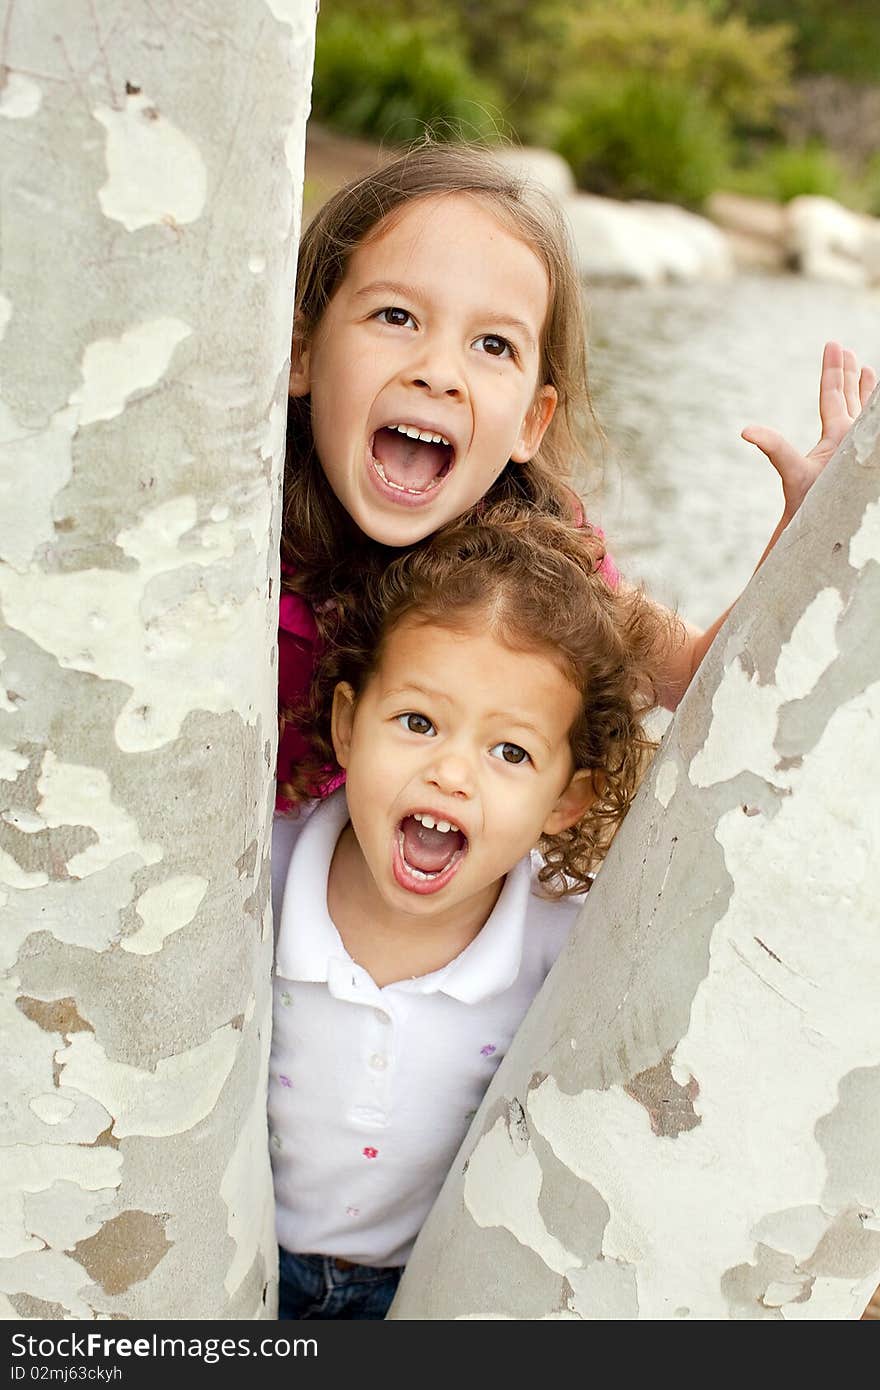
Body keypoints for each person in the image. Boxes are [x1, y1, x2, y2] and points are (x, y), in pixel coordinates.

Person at [275, 141, 876, 812]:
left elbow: (695, 676)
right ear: (301, 352)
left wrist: (810, 530)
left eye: (493, 345)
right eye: (396, 316)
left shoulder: (546, 573)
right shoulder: (231, 530)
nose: (438, 372)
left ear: (532, 421)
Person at [269, 511, 676, 1319]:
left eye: (510, 753)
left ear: (567, 800)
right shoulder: (260, 881)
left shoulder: (567, 943)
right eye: (417, 723)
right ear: (349, 725)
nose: (453, 772)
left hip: (424, 1284)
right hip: (238, 1255)